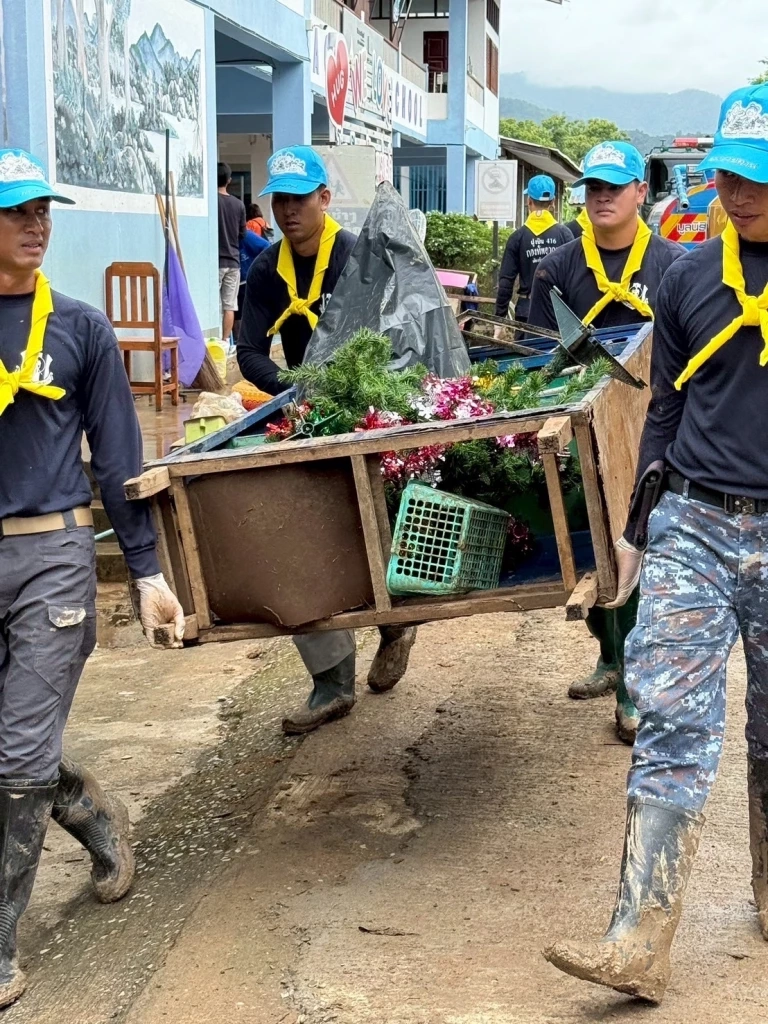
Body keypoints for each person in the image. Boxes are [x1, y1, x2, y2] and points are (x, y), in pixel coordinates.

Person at [543, 81, 768, 1004]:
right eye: (727, 174)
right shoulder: (685, 277)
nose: (738, 192)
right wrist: (640, 529)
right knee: (672, 717)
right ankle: (640, 935)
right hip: (698, 524)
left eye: (755, 176)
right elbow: (666, 411)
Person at [0, 148, 185, 1008]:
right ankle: (86, 809)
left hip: (54, 555)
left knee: (16, 754)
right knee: (15, 753)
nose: (37, 224)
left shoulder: (79, 329)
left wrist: (145, 572)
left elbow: (118, 457)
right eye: (17, 211)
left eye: (44, 210)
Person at [237, 146, 417, 734]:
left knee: (380, 520)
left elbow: (400, 330)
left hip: (369, 404)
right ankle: (331, 680)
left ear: (325, 199)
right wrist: (292, 386)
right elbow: (247, 352)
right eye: (279, 200)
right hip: (306, 411)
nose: (289, 210)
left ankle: (395, 624)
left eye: (300, 198)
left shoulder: (357, 257)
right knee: (299, 535)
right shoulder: (265, 270)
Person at [527, 141, 685, 743]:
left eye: (614, 187)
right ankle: (609, 652)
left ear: (641, 193)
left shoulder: (672, 265)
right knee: (589, 550)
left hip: (650, 430)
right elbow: (539, 354)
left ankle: (631, 687)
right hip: (579, 430)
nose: (601, 197)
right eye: (593, 187)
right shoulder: (558, 268)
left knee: (635, 551)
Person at [495, 175, 573, 327]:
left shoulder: (517, 237)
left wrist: (499, 321)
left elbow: (506, 282)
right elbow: (575, 278)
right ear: (553, 202)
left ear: (528, 201)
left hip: (526, 312)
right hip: (559, 314)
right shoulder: (565, 235)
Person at [217, 161, 246, 344]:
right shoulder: (239, 205)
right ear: (229, 180)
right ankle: (225, 342)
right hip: (233, 262)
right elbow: (243, 234)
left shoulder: (211, 203)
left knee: (214, 303)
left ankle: (211, 341)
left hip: (215, 262)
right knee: (229, 305)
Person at [233, 228, 270, 342]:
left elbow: (266, 246)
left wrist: (257, 267)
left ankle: (245, 340)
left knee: (242, 313)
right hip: (237, 280)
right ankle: (238, 341)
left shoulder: (246, 236)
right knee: (235, 312)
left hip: (246, 281)